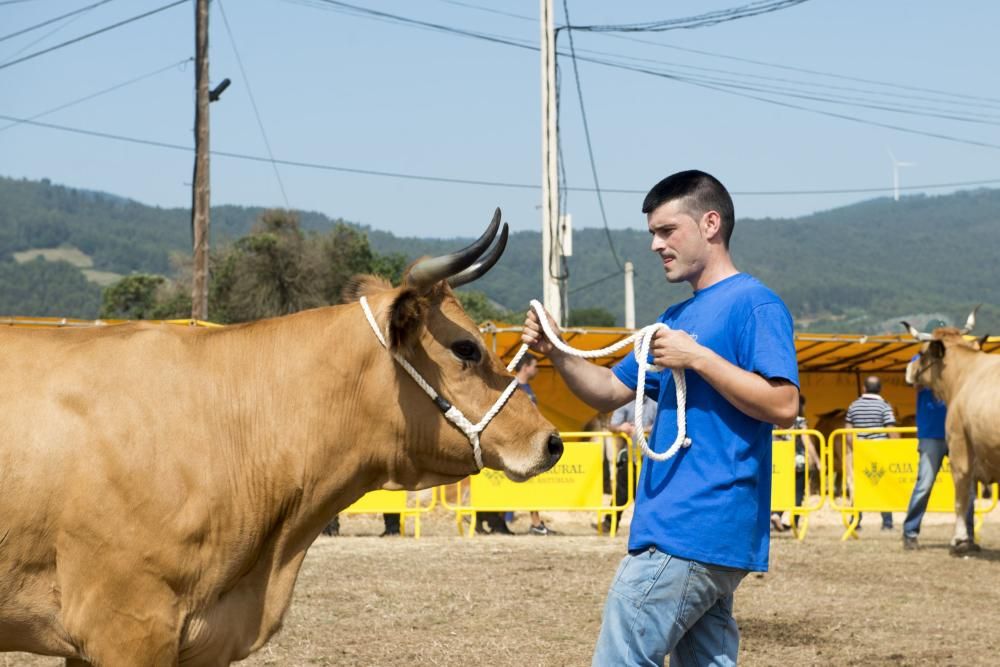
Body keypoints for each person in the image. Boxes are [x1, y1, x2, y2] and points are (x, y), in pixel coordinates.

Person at [522, 170, 799, 666]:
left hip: (692, 526)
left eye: (667, 230)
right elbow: (608, 391)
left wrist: (699, 359)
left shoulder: (754, 304)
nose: (655, 244)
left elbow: (784, 406)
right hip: (690, 530)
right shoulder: (673, 318)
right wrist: (557, 351)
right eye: (653, 232)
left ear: (710, 224)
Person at [902, 326, 975, 550]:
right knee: (924, 483)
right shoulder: (923, 358)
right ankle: (910, 532)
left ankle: (966, 535)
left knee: (967, 485)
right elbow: (912, 381)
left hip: (960, 433)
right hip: (932, 433)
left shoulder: (962, 363)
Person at [845, 376, 898, 530]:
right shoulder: (884, 406)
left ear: (864, 388)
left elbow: (848, 432)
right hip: (880, 450)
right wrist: (896, 448)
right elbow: (891, 430)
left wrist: (855, 447)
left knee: (859, 485)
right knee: (883, 485)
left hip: (860, 449)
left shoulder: (853, 406)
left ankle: (855, 520)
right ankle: (887, 522)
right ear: (880, 389)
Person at [602, 395, 658, 532]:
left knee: (647, 494)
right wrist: (621, 428)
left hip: (650, 458)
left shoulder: (655, 401)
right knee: (621, 492)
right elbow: (611, 426)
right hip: (629, 456)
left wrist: (643, 430)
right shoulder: (625, 401)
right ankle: (609, 524)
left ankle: (647, 527)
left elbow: (663, 424)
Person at [770, 394, 819, 532]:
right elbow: (807, 441)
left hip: (780, 461)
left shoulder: (774, 420)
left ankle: (776, 513)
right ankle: (794, 523)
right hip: (798, 461)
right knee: (797, 492)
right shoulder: (800, 421)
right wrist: (816, 459)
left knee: (781, 490)